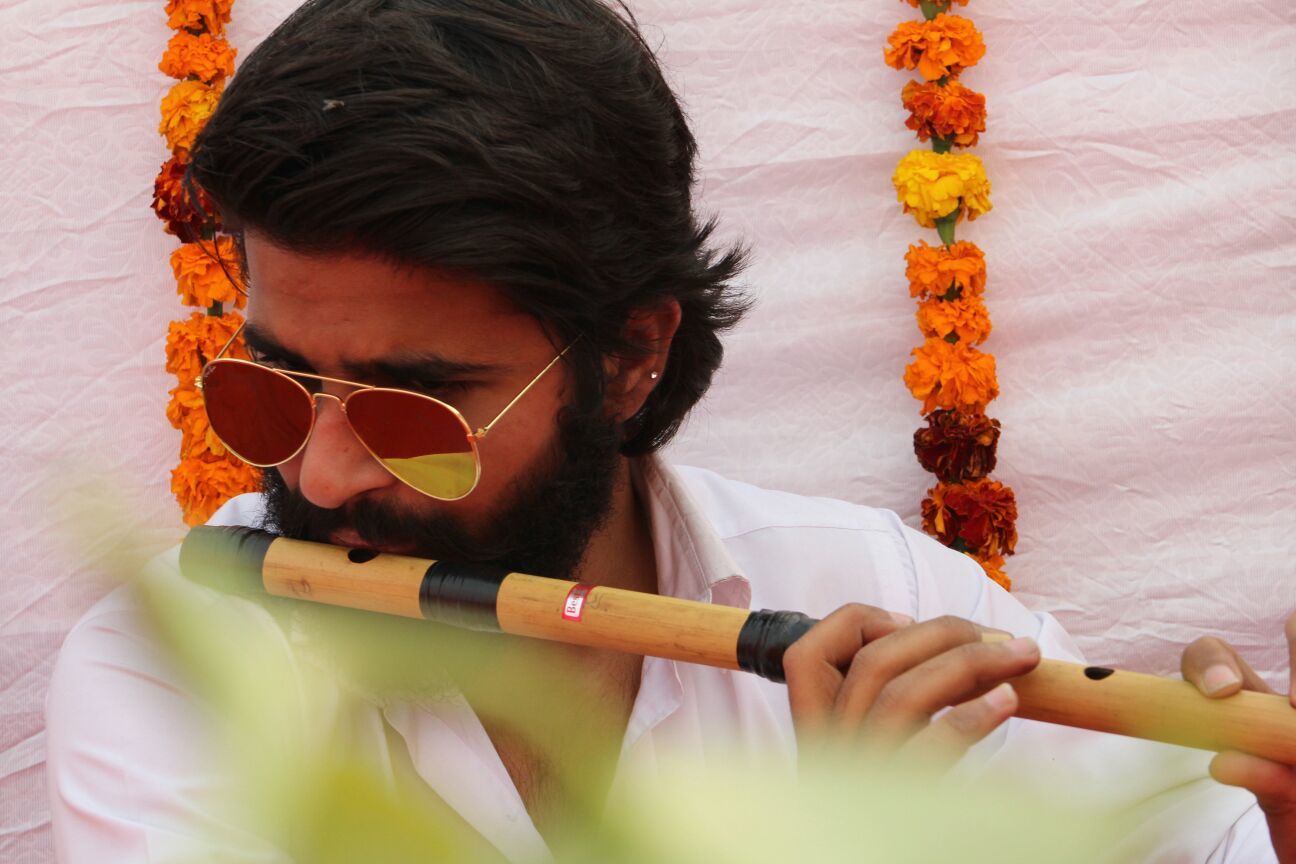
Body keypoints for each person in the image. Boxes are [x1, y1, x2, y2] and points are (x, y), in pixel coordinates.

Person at [45, 0, 1292, 861]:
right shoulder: (177, 668)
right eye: (272, 387)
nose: (319, 474)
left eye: (413, 410)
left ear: (629, 355)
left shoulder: (882, 595)